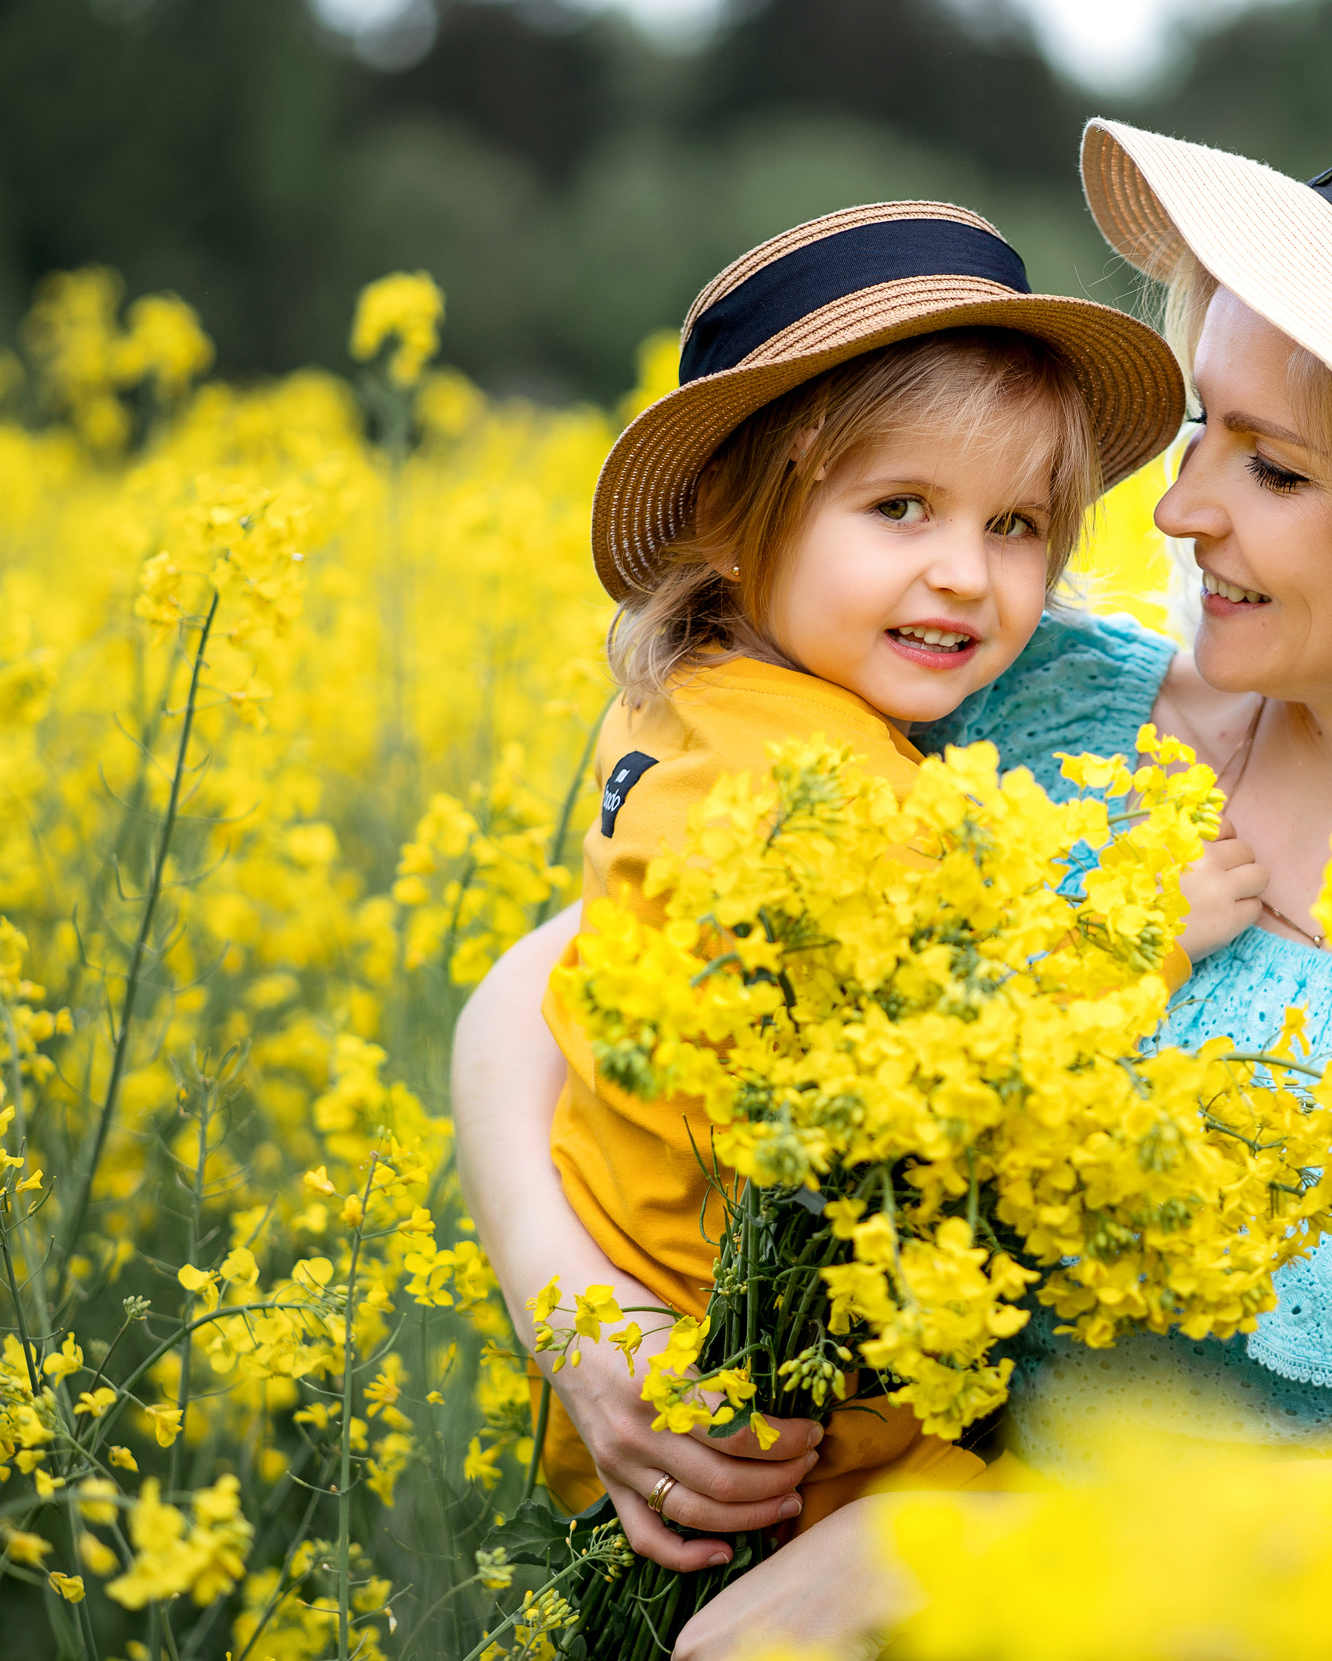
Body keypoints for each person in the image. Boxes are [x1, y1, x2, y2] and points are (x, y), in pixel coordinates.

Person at [456, 100, 1332, 1655]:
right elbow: (555, 989)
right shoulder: (1020, 705)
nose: (1179, 504)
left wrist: (934, 1570)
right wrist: (595, 1339)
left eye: (1272, 470)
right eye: (1204, 424)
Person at [513, 199, 1276, 1570]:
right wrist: (1146, 930)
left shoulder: (695, 707)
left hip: (650, 1350)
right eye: (899, 508)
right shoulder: (827, 797)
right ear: (738, 523)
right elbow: (950, 1057)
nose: (964, 576)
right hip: (783, 1423)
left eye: (1019, 525)